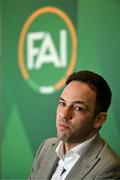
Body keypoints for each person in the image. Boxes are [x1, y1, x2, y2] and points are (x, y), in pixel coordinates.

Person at [29, 70, 120, 180]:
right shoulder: (46, 147)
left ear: (99, 120)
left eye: (78, 108)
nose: (64, 115)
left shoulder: (108, 168)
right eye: (62, 103)